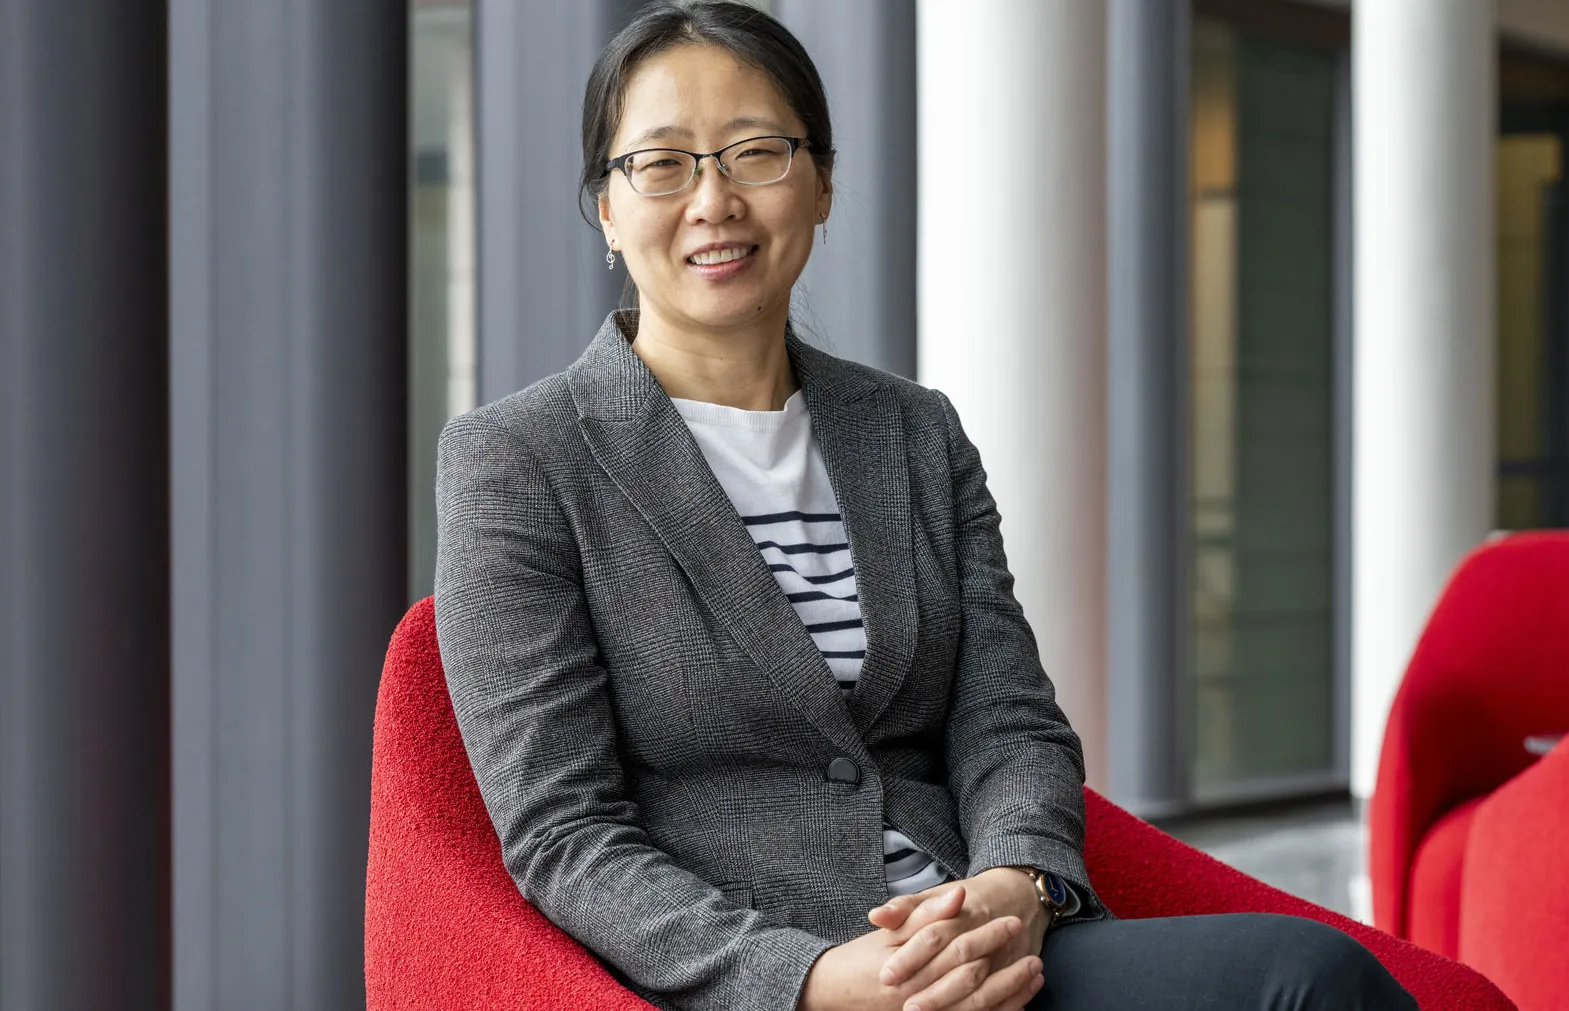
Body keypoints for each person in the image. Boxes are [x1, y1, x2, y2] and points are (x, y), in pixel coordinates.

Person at [433, 3, 1419, 1010]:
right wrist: (810, 978)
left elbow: (1010, 722)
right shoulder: (520, 461)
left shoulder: (912, 432)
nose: (714, 200)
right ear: (605, 205)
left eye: (756, 152)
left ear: (821, 182)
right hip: (767, 982)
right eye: (663, 162)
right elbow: (565, 836)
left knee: (1313, 981)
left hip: (991, 954)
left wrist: (1015, 884)